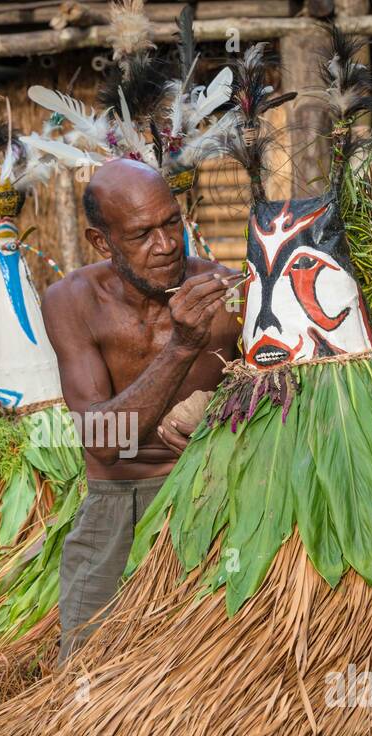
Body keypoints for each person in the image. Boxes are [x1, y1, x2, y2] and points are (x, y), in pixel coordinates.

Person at [45, 159, 239, 661]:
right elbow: (105, 442)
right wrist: (182, 347)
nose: (167, 244)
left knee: (214, 672)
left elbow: (288, 397)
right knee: (87, 674)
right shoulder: (73, 301)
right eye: (142, 234)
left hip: (215, 497)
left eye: (171, 222)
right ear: (102, 242)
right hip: (119, 500)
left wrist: (220, 414)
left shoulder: (230, 294)